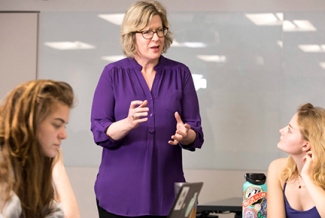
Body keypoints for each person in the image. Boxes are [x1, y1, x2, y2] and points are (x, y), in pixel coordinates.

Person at [90, 0, 204, 217]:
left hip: (170, 195)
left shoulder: (181, 73)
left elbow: (196, 136)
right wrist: (127, 123)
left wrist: (185, 134)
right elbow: (99, 133)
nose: (156, 38)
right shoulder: (112, 73)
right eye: (147, 32)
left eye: (160, 30)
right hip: (118, 195)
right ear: (132, 35)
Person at [0, 80, 80, 218]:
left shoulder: (29, 169)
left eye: (64, 126)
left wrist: (55, 162)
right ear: (29, 123)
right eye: (56, 125)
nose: (63, 135)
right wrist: (57, 163)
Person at [267, 103, 325, 218]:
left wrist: (307, 177)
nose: (281, 130)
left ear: (306, 145)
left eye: (289, 130)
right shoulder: (277, 168)